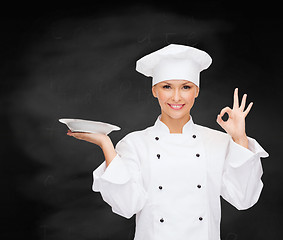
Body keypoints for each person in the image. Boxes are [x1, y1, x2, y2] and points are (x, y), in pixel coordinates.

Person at [67, 44, 269, 240]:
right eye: (167, 87)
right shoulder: (135, 143)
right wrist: (106, 144)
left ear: (196, 91)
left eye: (186, 87)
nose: (176, 97)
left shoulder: (218, 142)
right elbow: (127, 206)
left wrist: (239, 138)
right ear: (154, 90)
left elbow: (243, 199)